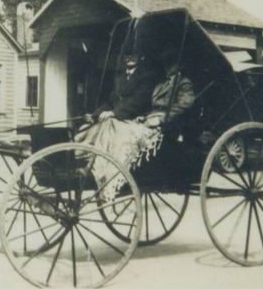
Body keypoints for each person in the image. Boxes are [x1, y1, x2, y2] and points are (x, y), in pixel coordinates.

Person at [75, 47, 195, 198]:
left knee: (118, 128)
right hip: (149, 119)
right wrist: (144, 117)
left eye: (170, 64)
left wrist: (161, 119)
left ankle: (102, 167)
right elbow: (150, 106)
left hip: (167, 124)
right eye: (167, 64)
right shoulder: (162, 84)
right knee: (107, 127)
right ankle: (92, 162)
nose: (168, 67)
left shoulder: (184, 84)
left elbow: (184, 105)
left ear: (178, 65)